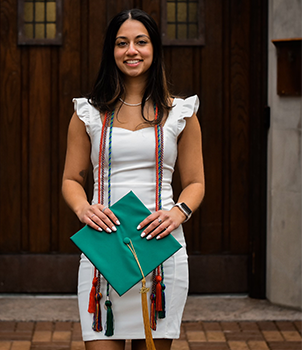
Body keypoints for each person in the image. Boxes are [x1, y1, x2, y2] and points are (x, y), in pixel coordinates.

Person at [62, 8, 205, 350]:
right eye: (121, 43)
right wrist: (83, 209)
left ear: (154, 48)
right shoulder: (88, 113)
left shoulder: (180, 113)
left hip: (160, 253)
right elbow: (71, 178)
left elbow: (196, 182)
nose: (132, 51)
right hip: (104, 254)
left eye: (141, 42)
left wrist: (178, 212)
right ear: (111, 51)